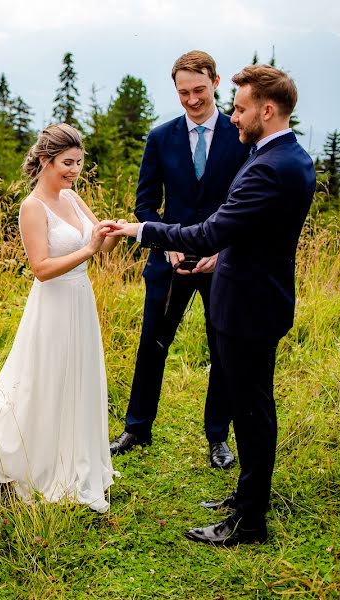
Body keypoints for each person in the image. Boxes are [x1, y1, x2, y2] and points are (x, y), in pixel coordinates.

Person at [108, 65, 316, 545]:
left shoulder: (269, 165)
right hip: (254, 294)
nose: (236, 119)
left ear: (267, 109)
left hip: (248, 302)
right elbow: (251, 228)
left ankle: (249, 522)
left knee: (252, 410)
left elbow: (211, 231)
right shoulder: (287, 156)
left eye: (241, 109)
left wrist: (140, 231)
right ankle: (245, 500)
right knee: (251, 404)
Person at [0, 123, 120, 512]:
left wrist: (116, 231)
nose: (74, 170)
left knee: (78, 376)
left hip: (81, 301)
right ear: (46, 160)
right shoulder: (32, 207)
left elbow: (99, 242)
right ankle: (40, 458)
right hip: (53, 304)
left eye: (79, 162)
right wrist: (91, 250)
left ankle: (77, 454)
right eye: (67, 163)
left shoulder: (74, 197)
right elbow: (41, 268)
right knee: (47, 379)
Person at [110, 51, 249, 469]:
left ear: (217, 82)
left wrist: (223, 251)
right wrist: (165, 242)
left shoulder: (240, 135)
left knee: (222, 348)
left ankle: (217, 438)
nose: (192, 100)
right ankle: (137, 427)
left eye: (199, 90)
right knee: (152, 343)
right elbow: (145, 204)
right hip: (168, 260)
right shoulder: (160, 137)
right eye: (183, 92)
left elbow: (247, 207)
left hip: (222, 261)